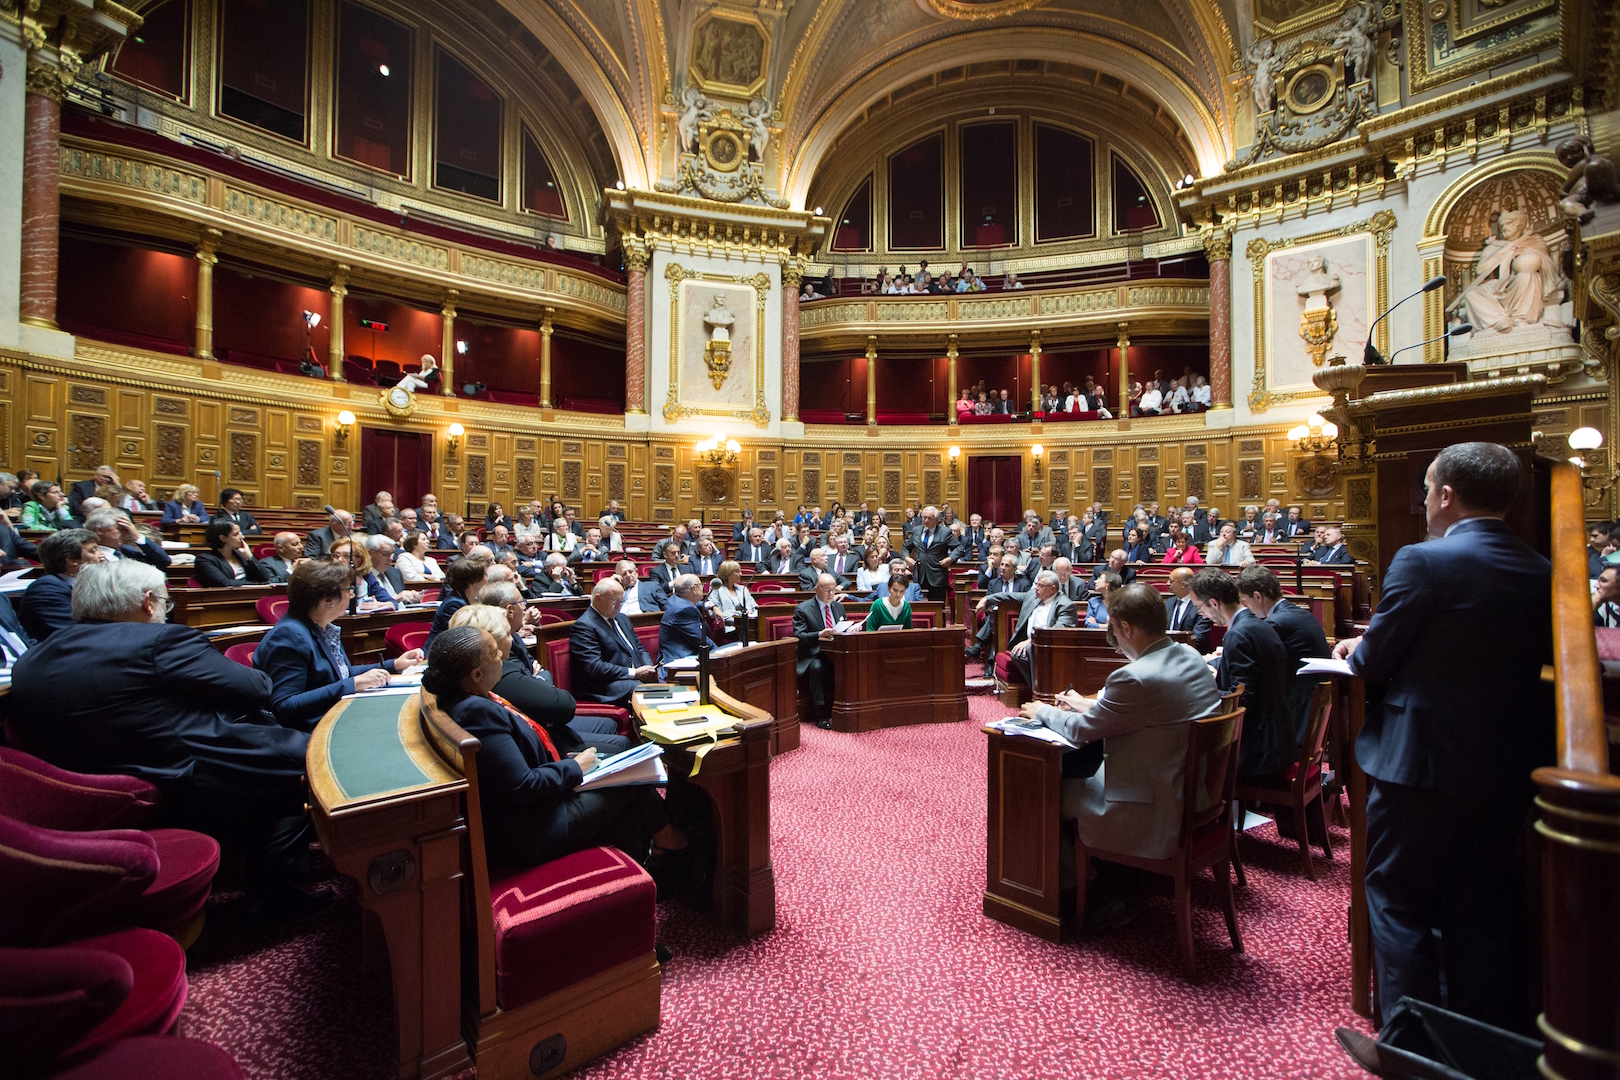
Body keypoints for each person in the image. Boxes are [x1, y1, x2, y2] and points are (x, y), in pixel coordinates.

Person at [1333, 442, 1552, 1028]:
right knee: (1482, 909)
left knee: (1396, 898)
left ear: (1446, 495)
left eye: (1427, 489)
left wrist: (1360, 648)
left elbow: (1375, 662)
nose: (1425, 500)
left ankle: (1410, 1041)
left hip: (1419, 766)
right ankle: (1481, 1039)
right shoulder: (1542, 570)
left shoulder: (1424, 560)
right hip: (1507, 764)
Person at [10, 560, 324, 920]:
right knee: (316, 759)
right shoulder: (159, 640)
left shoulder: (32, 657)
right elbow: (256, 687)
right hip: (187, 775)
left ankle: (268, 878)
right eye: (164, 601)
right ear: (148, 601)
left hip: (96, 791)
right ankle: (275, 893)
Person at [1017, 582, 1223, 930]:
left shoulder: (1134, 678)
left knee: (1040, 791)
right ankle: (1108, 879)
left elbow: (1082, 731)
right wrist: (1091, 706)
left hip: (1152, 805)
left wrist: (1041, 710)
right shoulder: (1187, 655)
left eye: (1114, 627)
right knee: (1081, 765)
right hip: (1194, 792)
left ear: (1125, 627)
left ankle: (1092, 893)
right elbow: (1141, 713)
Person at [421, 625, 670, 868]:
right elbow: (523, 785)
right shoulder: (477, 712)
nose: (502, 658)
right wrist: (574, 767)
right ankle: (669, 842)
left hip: (531, 808)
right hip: (532, 830)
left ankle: (655, 854)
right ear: (476, 675)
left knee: (624, 790)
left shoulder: (467, 697)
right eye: (495, 653)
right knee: (632, 782)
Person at [254, 559, 424, 731]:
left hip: (332, 718)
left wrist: (393, 665)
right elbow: (284, 705)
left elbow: (340, 674)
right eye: (348, 589)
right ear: (328, 600)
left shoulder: (322, 627)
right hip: (310, 731)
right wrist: (353, 684)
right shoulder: (290, 635)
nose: (351, 595)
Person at [452, 591, 629, 756]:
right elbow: (561, 704)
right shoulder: (497, 676)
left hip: (541, 731)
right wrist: (540, 680)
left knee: (612, 729)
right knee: (622, 745)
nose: (512, 640)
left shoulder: (473, 679)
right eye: (507, 634)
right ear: (491, 642)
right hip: (543, 743)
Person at [1189, 568, 1291, 778]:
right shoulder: (1258, 624)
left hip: (1259, 750)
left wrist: (1198, 694)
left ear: (1214, 603)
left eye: (1200, 609)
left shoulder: (1238, 634)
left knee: (1188, 764)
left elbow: (1242, 699)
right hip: (1279, 740)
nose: (1203, 615)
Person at [1237, 565, 1330, 747]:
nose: (1246, 608)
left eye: (1245, 601)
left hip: (1298, 711)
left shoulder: (1277, 622)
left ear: (1257, 596)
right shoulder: (1301, 613)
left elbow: (1252, 662)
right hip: (1310, 703)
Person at [570, 577, 658, 706]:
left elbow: (639, 648)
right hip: (604, 685)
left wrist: (649, 669)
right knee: (641, 689)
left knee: (661, 684)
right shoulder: (584, 626)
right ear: (598, 598)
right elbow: (594, 667)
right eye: (615, 601)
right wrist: (634, 673)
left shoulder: (622, 618)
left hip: (632, 679)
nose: (619, 606)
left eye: (621, 601)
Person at [988, 569, 1080, 685]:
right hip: (1032, 644)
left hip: (1052, 647)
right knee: (1018, 654)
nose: (1036, 588)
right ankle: (1039, 687)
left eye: (1041, 585)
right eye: (1037, 584)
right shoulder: (1033, 595)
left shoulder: (1065, 605)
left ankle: (1039, 692)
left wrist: (1031, 641)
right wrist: (987, 599)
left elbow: (1058, 631)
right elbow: (1008, 596)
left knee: (1030, 649)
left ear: (1052, 589)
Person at [18, 528, 101, 641]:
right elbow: (77, 632)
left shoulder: (92, 583)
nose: (102, 556)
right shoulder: (45, 589)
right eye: (93, 551)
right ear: (71, 560)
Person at [793, 573, 846, 728]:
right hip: (812, 654)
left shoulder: (838, 607)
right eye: (826, 590)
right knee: (818, 667)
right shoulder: (803, 609)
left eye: (833, 590)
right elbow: (799, 636)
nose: (830, 593)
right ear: (816, 589)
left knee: (851, 663)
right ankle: (821, 714)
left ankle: (845, 709)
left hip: (835, 653)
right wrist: (819, 635)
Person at [428, 549, 492, 646]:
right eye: (485, 575)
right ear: (474, 581)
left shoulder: (473, 599)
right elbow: (466, 638)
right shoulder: (453, 604)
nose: (488, 578)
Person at [658, 574, 716, 667]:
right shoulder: (683, 610)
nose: (703, 588)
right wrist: (720, 654)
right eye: (701, 585)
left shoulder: (675, 600)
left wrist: (710, 605)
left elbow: (694, 604)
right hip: (679, 661)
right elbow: (702, 641)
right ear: (694, 588)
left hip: (686, 653)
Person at [193, 519, 272, 587]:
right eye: (236, 534)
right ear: (223, 538)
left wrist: (249, 557)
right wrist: (254, 584)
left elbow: (265, 577)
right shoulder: (205, 560)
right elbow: (224, 583)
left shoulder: (240, 555)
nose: (242, 537)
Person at [85, 508, 171, 569]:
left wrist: (137, 535)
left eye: (127, 529)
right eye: (121, 529)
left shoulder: (128, 551)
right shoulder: (88, 555)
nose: (126, 533)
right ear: (100, 530)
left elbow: (164, 561)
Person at [357, 534, 423, 609]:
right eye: (385, 553)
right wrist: (396, 598)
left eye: (392, 553)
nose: (391, 558)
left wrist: (411, 598)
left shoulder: (395, 573)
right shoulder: (362, 575)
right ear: (369, 553)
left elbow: (403, 603)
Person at [907, 505, 955, 603]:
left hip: (937, 575)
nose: (926, 520)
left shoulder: (945, 532)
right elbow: (906, 547)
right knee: (919, 607)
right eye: (924, 517)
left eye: (929, 518)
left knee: (937, 607)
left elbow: (959, 548)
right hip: (920, 575)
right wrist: (906, 557)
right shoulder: (916, 530)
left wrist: (950, 559)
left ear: (936, 519)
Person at [1165, 566, 1213, 653]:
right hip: (1167, 654)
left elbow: (1199, 637)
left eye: (1171, 581)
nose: (1167, 583)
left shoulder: (1202, 605)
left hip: (1193, 655)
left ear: (1183, 584)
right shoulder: (1169, 603)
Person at [707, 560, 756, 640]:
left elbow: (755, 607)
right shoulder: (716, 589)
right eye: (737, 571)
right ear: (728, 573)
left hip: (749, 627)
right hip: (729, 628)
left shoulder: (743, 589)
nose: (741, 574)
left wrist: (752, 615)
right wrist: (739, 618)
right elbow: (712, 612)